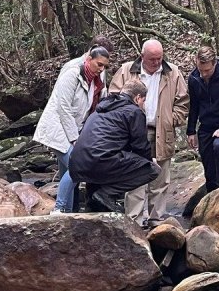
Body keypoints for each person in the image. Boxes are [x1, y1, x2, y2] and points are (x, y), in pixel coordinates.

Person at [108, 38, 188, 224]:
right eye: (152, 59)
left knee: (160, 179)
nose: (157, 62)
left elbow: (183, 103)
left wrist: (170, 120)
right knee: (135, 177)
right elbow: (113, 97)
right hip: (133, 132)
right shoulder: (127, 71)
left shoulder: (173, 73)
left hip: (162, 131)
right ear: (142, 56)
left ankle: (155, 220)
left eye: (160, 58)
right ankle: (133, 221)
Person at [33, 46, 111, 212]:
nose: (101, 69)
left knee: (66, 173)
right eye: (99, 64)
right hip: (57, 129)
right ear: (89, 60)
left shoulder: (95, 81)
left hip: (72, 130)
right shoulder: (72, 74)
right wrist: (74, 138)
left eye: (104, 66)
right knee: (78, 167)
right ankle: (59, 209)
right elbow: (63, 108)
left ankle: (68, 212)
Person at [68, 79, 160, 213]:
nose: (143, 105)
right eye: (143, 101)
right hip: (101, 160)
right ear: (137, 97)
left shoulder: (100, 109)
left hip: (78, 163)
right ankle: (107, 193)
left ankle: (93, 209)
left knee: (95, 199)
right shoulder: (133, 111)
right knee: (152, 170)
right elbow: (140, 146)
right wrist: (149, 162)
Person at [186, 45, 219, 192]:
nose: (203, 74)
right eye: (201, 69)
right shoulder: (194, 78)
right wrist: (191, 130)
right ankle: (211, 192)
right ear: (196, 61)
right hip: (206, 126)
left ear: (215, 64)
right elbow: (194, 105)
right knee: (207, 160)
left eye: (207, 70)